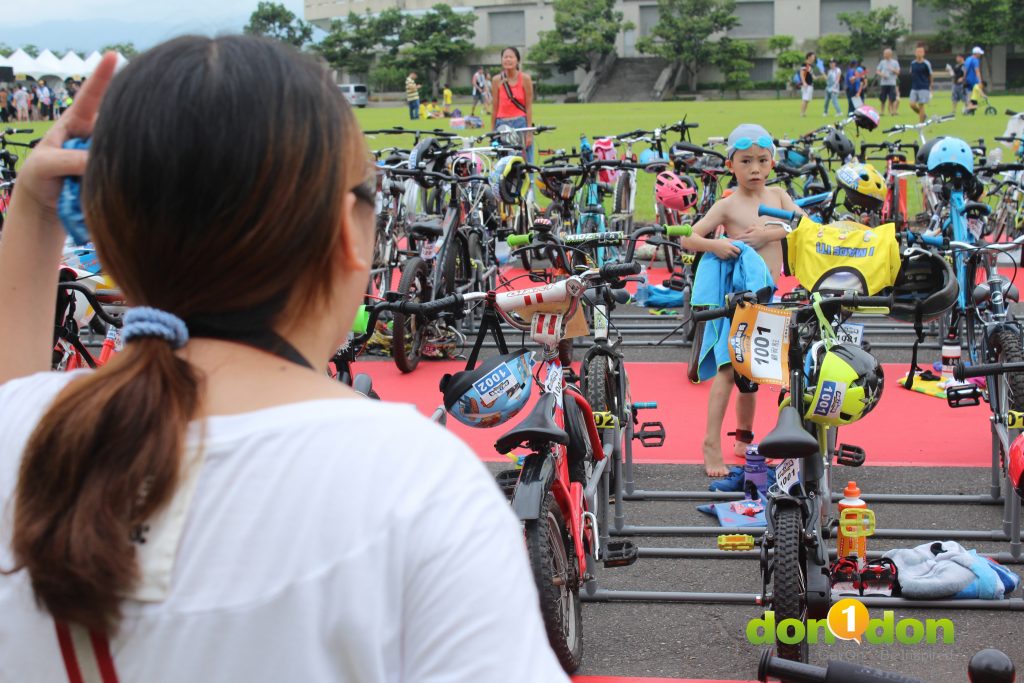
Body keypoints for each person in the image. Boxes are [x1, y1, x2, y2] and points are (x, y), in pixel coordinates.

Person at [0, 37, 570, 682]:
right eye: (371, 191)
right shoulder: (414, 484)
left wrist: (31, 206)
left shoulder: (26, 434)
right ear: (340, 231)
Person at [683, 124, 803, 476]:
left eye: (762, 161)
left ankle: (743, 437)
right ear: (730, 165)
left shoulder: (779, 196)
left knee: (753, 372)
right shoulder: (727, 206)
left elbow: (802, 225)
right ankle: (710, 444)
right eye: (746, 161)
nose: (755, 169)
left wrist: (771, 232)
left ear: (772, 164)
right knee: (726, 371)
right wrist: (716, 245)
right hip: (737, 300)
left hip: (769, 296)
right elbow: (689, 238)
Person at [492, 46, 535, 163]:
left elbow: (529, 107)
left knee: (524, 163)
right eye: (505, 57)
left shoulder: (525, 79)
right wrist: (492, 132)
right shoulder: (496, 80)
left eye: (511, 57)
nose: (508, 60)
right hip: (502, 125)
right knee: (504, 163)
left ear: (517, 60)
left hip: (520, 124)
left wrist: (529, 133)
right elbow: (494, 108)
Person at [908, 44, 933, 124]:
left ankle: (921, 123)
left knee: (921, 105)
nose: (919, 53)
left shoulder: (926, 63)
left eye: (921, 51)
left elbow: (930, 75)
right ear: (915, 53)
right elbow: (911, 72)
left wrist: (930, 85)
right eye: (918, 51)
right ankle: (923, 115)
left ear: (923, 53)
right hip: (914, 87)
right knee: (912, 104)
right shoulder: (913, 63)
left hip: (924, 87)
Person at [875, 48, 901, 116]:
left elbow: (898, 72)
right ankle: (882, 111)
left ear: (890, 54)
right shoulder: (882, 62)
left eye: (885, 54)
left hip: (892, 83)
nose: (884, 55)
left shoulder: (895, 62)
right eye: (884, 54)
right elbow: (877, 71)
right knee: (882, 98)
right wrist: (882, 75)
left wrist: (893, 70)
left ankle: (893, 111)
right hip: (884, 83)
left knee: (892, 98)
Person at [799, 52, 817, 117]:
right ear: (809, 57)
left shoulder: (810, 66)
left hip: (810, 84)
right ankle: (801, 113)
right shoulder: (804, 64)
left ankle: (804, 113)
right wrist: (804, 82)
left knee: (807, 100)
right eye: (813, 57)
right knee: (805, 99)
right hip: (806, 85)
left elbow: (812, 76)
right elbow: (801, 73)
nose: (814, 58)